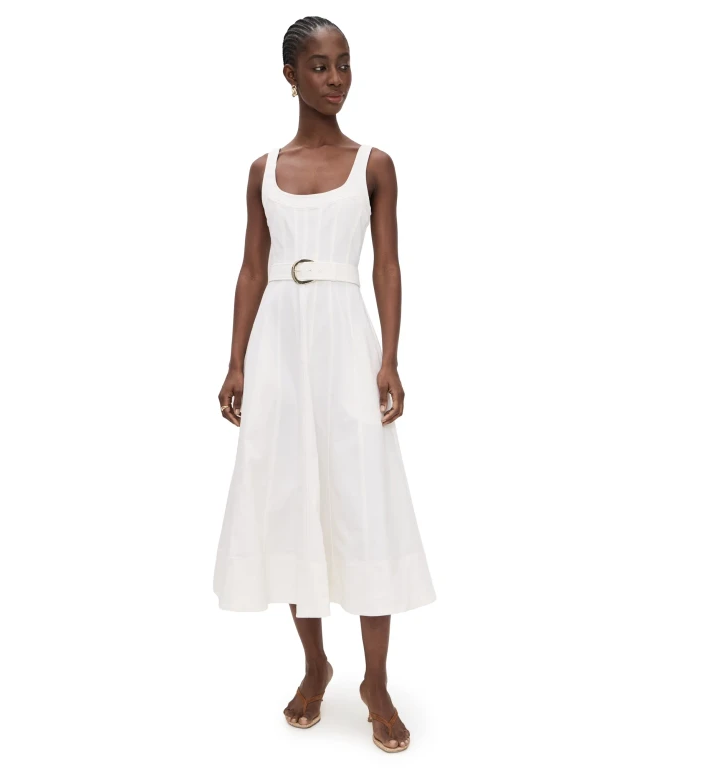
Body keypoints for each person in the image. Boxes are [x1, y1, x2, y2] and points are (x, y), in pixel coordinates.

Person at [213, 16, 435, 753]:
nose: (335, 78)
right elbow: (252, 268)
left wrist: (390, 358)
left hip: (345, 342)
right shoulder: (263, 171)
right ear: (290, 76)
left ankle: (376, 683)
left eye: (343, 63)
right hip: (280, 345)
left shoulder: (374, 164)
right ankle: (315, 666)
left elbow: (387, 265)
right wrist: (236, 361)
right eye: (318, 65)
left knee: (362, 502)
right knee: (290, 501)